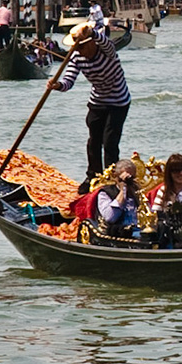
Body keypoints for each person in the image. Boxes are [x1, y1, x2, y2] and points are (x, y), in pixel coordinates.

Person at [51, 22, 133, 189]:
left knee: (110, 142)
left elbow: (107, 43)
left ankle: (111, 178)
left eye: (83, 47)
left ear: (92, 43)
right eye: (78, 48)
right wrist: (58, 86)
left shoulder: (107, 51)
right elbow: (68, 81)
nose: (81, 51)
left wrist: (93, 33)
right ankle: (92, 177)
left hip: (118, 101)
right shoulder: (76, 57)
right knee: (93, 142)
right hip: (97, 101)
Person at [94, 159, 143, 235]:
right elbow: (110, 217)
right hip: (118, 232)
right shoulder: (105, 193)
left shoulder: (136, 192)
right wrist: (123, 190)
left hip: (137, 229)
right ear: (116, 177)